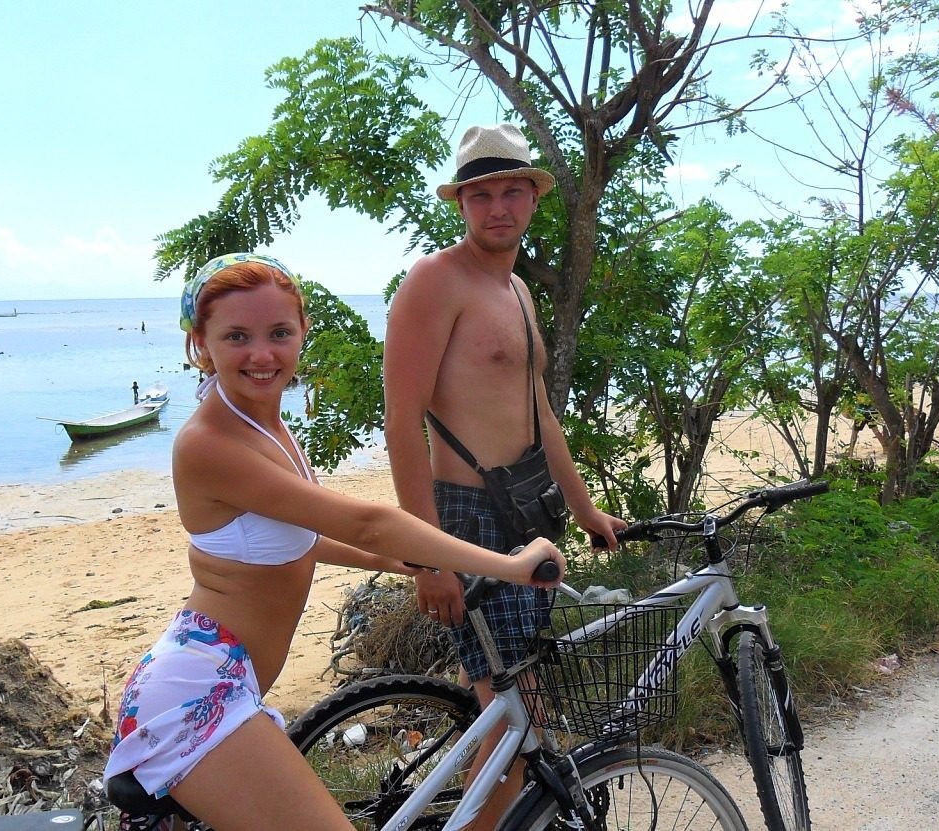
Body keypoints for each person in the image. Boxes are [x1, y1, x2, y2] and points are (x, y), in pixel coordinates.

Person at [102, 252, 565, 831]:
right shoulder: (208, 442)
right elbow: (366, 521)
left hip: (228, 678)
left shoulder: (264, 422)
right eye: (237, 336)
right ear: (201, 344)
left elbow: (300, 537)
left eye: (279, 333)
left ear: (302, 332)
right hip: (195, 691)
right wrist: (509, 565)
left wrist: (406, 563)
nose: (262, 354)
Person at [384, 123, 627, 828]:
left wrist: (585, 510)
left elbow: (539, 413)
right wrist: (427, 556)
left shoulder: (517, 289)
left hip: (530, 511)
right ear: (461, 204)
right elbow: (401, 422)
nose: (498, 208)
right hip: (468, 517)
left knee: (511, 706)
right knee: (517, 715)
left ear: (533, 198)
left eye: (512, 192)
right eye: (482, 195)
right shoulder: (435, 281)